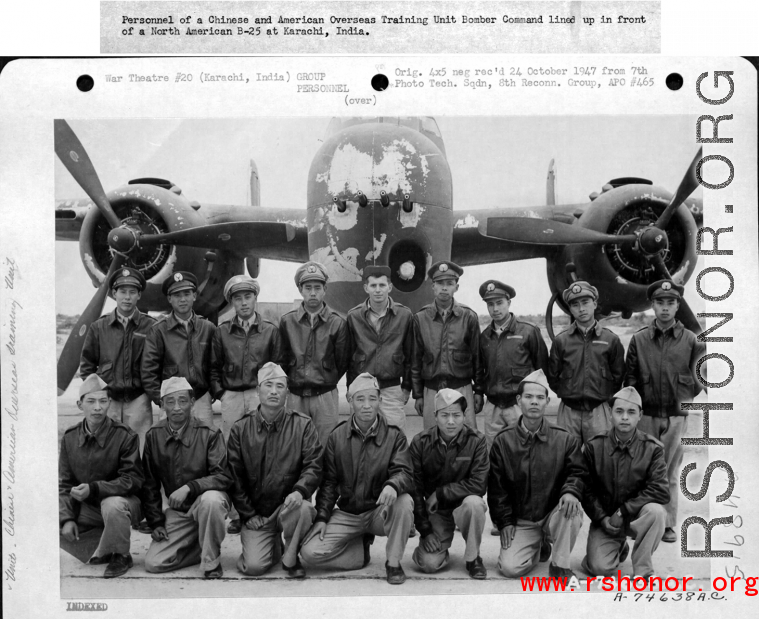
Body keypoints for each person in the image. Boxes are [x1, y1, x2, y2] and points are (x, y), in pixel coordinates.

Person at [300, 373, 414, 585]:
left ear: (380, 401)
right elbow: (329, 483)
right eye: (360, 399)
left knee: (404, 501)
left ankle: (393, 562)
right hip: (348, 514)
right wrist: (323, 517)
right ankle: (360, 552)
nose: (367, 405)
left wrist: (393, 485)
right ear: (350, 401)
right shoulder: (337, 437)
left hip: (380, 511)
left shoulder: (394, 435)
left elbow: (404, 472)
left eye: (372, 399)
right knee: (309, 552)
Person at [625, 280, 705, 544]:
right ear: (653, 305)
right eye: (660, 302)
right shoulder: (638, 339)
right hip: (646, 415)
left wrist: (681, 399)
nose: (665, 308)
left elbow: (699, 377)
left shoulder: (691, 340)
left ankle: (669, 524)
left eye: (670, 303)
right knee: (642, 470)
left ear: (678, 305)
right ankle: (638, 520)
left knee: (669, 472)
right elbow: (631, 379)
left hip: (675, 417)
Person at [227, 363, 322, 578]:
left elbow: (314, 466)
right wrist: (247, 514)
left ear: (287, 393)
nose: (273, 391)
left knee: (305, 509)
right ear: (258, 390)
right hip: (258, 514)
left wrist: (300, 490)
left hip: (288, 507)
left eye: (280, 386)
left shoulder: (303, 425)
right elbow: (234, 476)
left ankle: (291, 557)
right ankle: (272, 544)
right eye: (268, 385)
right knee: (253, 567)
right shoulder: (240, 429)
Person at [488, 369, 585, 580]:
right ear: (518, 400)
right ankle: (537, 546)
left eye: (540, 397)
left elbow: (577, 472)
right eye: (529, 397)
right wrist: (504, 521)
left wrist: (571, 491)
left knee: (572, 509)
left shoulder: (564, 439)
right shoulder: (503, 441)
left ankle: (560, 566)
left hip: (553, 515)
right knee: (510, 568)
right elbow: (497, 488)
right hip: (523, 519)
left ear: (547, 401)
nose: (534, 402)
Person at [210, 274, 281, 534]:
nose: (243, 302)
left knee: (262, 453)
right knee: (234, 455)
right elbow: (214, 367)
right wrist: (222, 394)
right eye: (237, 298)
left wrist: (268, 395)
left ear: (255, 298)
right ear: (231, 302)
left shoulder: (270, 330)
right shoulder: (222, 331)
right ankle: (238, 512)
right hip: (231, 396)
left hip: (258, 395)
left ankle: (264, 508)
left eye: (247, 296)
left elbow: (276, 367)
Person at [141, 377, 232, 579]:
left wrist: (190, 487)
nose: (177, 408)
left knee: (212, 500)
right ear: (162, 404)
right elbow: (149, 484)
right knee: (153, 563)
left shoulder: (209, 434)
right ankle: (199, 547)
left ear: (192, 403)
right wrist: (156, 522)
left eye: (183, 401)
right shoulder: (153, 436)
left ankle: (211, 562)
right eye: (170, 402)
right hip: (178, 513)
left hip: (204, 506)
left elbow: (223, 477)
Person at [59, 374, 144, 578]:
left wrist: (94, 488)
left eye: (103, 401)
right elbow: (64, 484)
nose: (97, 407)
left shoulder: (125, 435)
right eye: (91, 401)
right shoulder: (70, 438)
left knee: (112, 505)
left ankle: (122, 555)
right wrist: (66, 519)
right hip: (90, 506)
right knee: (49, 517)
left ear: (109, 404)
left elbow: (132, 480)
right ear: (80, 405)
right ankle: (104, 547)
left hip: (125, 504)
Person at [582, 387, 669, 578]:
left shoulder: (652, 449)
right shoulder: (594, 447)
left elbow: (660, 490)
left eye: (631, 412)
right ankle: (617, 547)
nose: (624, 417)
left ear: (640, 416)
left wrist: (624, 510)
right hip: (606, 519)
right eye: (619, 411)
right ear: (610, 414)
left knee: (656, 513)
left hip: (636, 517)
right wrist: (602, 518)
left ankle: (643, 570)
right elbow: (586, 490)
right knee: (599, 569)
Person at [409, 389, 489, 579]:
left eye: (456, 415)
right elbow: (414, 489)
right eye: (445, 415)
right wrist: (426, 531)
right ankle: (439, 546)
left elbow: (479, 484)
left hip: (463, 506)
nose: (451, 421)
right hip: (436, 511)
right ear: (435, 416)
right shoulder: (420, 443)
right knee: (428, 564)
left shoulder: (477, 441)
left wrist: (441, 493)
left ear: (464, 416)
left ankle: (473, 558)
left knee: (475, 504)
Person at [79, 267, 155, 450]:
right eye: (122, 291)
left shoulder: (151, 326)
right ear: (114, 293)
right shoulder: (99, 327)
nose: (127, 297)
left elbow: (157, 364)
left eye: (132, 292)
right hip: (109, 400)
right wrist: (99, 396)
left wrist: (149, 393)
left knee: (141, 450)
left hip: (139, 400)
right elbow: (87, 366)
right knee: (107, 449)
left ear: (139, 295)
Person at [278, 261, 350, 443]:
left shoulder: (337, 323)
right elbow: (282, 358)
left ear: (325, 289)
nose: (312, 293)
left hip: (325, 395)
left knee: (326, 445)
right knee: (295, 444)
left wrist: (326, 377)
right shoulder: (287, 322)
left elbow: (342, 361)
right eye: (307, 287)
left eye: (317, 288)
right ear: (300, 290)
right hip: (295, 395)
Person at [548, 281, 625, 442]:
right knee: (567, 457)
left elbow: (618, 376)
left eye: (585, 302)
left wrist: (603, 395)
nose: (581, 308)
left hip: (599, 410)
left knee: (600, 458)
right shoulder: (561, 341)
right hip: (568, 410)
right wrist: (569, 393)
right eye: (575, 304)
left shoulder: (611, 339)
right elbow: (553, 376)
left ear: (595, 304)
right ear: (570, 309)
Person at [411, 261, 484, 430]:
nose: (444, 288)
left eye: (449, 284)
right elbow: (415, 359)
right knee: (431, 439)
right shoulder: (420, 318)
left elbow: (477, 358)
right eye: (440, 284)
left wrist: (478, 391)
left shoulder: (469, 317)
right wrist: (418, 394)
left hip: (462, 388)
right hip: (431, 389)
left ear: (456, 287)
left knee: (466, 439)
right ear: (433, 287)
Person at [478, 279, 548, 447]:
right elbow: (480, 370)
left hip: (518, 405)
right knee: (493, 451)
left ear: (508, 302)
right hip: (493, 405)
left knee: (523, 449)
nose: (495, 309)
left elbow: (543, 368)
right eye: (490, 304)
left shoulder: (529, 332)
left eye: (499, 303)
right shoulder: (484, 337)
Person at [141, 271, 216, 425]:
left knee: (203, 444)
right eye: (176, 295)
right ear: (169, 299)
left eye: (187, 294)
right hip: (171, 400)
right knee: (169, 446)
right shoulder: (158, 331)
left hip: (200, 400)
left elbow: (216, 365)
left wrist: (213, 391)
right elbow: (148, 371)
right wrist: (161, 399)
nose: (182, 299)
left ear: (194, 296)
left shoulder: (208, 328)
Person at [346, 265, 414, 430]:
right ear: (366, 288)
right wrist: (350, 388)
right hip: (363, 388)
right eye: (373, 285)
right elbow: (348, 356)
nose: (378, 290)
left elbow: (411, 355)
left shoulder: (404, 315)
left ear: (389, 287)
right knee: (362, 436)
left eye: (382, 285)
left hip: (391, 388)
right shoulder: (354, 317)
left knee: (395, 435)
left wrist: (406, 387)